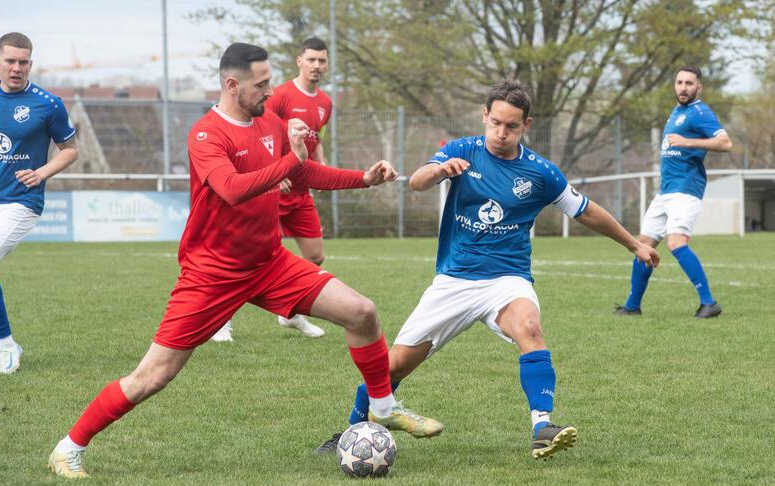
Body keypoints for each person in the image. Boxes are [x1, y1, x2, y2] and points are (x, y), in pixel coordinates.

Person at [47, 42, 440, 479]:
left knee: (362, 312)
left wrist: (362, 180)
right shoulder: (206, 135)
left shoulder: (268, 121)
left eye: (270, 81)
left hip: (269, 263)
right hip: (212, 273)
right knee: (152, 376)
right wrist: (292, 159)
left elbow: (302, 173)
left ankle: (383, 408)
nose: (270, 91)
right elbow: (232, 188)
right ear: (232, 85)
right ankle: (69, 447)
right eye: (262, 83)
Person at [315, 79, 660, 460]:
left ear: (526, 126)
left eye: (511, 126)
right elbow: (416, 182)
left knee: (530, 327)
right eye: (495, 122)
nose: (501, 132)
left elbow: (586, 211)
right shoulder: (463, 149)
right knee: (393, 365)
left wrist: (634, 243)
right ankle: (351, 431)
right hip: (455, 281)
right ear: (484, 116)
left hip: (507, 280)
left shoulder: (541, 173)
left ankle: (542, 426)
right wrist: (441, 170)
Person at [211, 37, 332, 342]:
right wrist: (277, 171)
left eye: (322, 60)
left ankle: (288, 312)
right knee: (247, 258)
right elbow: (260, 134)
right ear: (299, 61)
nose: (317, 66)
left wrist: (322, 169)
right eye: (312, 60)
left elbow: (315, 143)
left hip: (300, 189)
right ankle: (222, 320)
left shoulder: (326, 103)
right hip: (270, 188)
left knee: (315, 255)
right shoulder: (277, 96)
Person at [0, 32, 78, 373]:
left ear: (30, 64)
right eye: (10, 61)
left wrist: (42, 172)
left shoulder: (48, 104)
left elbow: (71, 151)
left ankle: (6, 345)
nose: (16, 68)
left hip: (21, 201)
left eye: (23, 62)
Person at [615, 65, 731, 318]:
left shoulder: (700, 112)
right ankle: (632, 306)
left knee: (676, 243)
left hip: (686, 189)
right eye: (679, 82)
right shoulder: (678, 112)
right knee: (642, 245)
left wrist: (690, 142)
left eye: (689, 83)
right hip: (666, 191)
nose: (683, 87)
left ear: (698, 87)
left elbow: (725, 142)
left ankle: (709, 303)